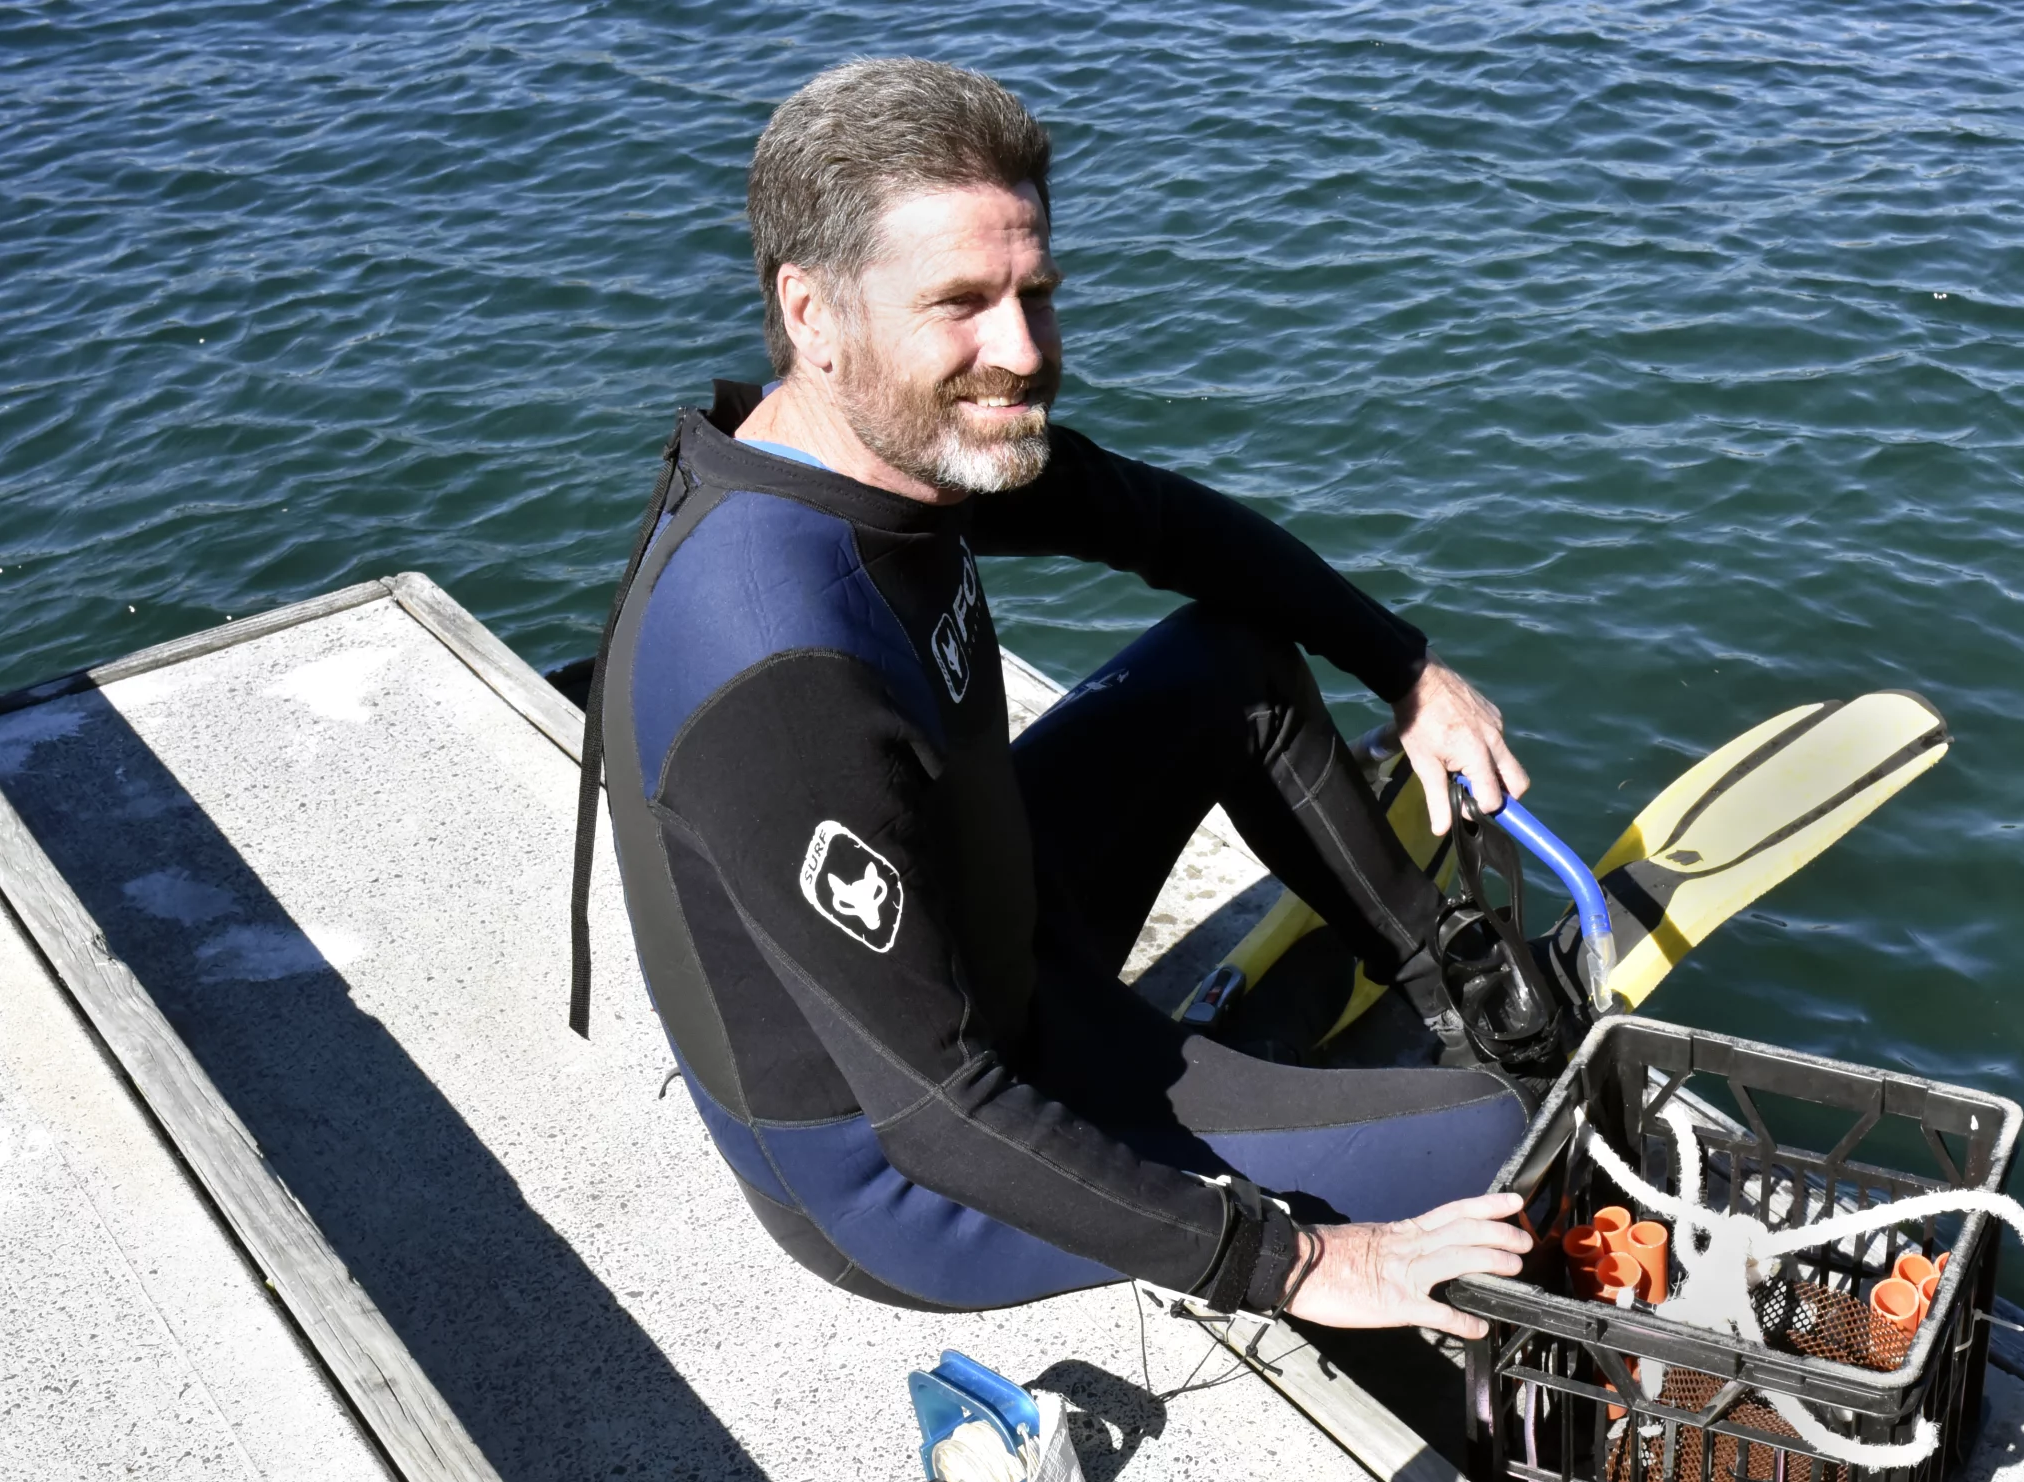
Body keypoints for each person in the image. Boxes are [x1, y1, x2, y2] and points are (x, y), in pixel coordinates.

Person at [577, 58, 1540, 1338]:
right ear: (812, 314)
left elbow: (1159, 522)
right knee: (1494, 1137)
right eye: (963, 303)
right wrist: (1302, 1264)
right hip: (912, 1179)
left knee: (1231, 659)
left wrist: (1407, 671)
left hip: (1003, 929)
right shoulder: (778, 663)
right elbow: (936, 1115)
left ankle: (1458, 984)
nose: (1022, 351)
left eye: (1037, 293)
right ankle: (1473, 1114)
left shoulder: (886, 442)